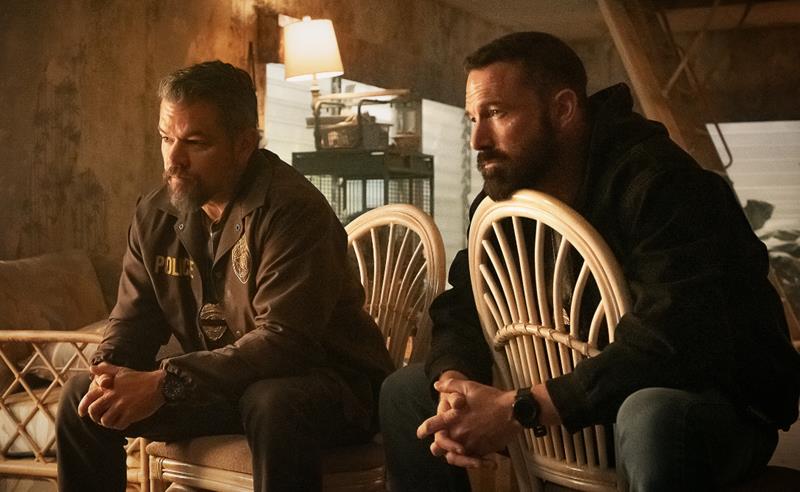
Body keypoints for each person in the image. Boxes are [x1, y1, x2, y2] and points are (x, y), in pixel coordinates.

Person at [380, 32, 800, 491]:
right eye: (473, 118)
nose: (478, 139)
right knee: (406, 393)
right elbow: (464, 303)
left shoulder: (661, 184)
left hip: (711, 403)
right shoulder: (507, 196)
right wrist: (454, 385)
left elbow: (672, 342)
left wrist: (520, 407)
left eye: (497, 113)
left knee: (650, 414)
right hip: (575, 398)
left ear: (563, 110)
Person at [56, 60, 394, 492]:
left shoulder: (293, 210)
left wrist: (166, 382)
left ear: (243, 144)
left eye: (195, 143)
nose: (174, 158)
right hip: (221, 386)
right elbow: (132, 321)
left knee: (270, 400)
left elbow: (285, 343)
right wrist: (108, 372)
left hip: (329, 387)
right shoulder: (155, 214)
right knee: (82, 397)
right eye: (166, 138)